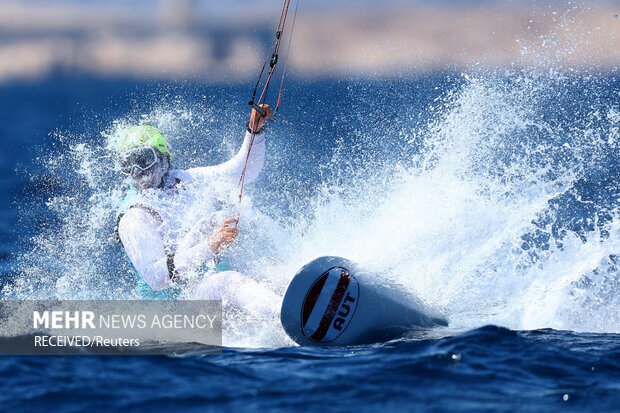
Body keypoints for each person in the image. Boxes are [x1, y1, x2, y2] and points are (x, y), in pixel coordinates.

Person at [115, 104, 280, 318]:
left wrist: (254, 131)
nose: (137, 172)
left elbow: (244, 171)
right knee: (227, 282)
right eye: (128, 164)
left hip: (205, 297)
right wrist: (210, 244)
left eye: (144, 160)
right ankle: (293, 319)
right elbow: (156, 278)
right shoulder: (135, 216)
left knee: (272, 275)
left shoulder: (186, 180)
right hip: (169, 316)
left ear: (164, 156)